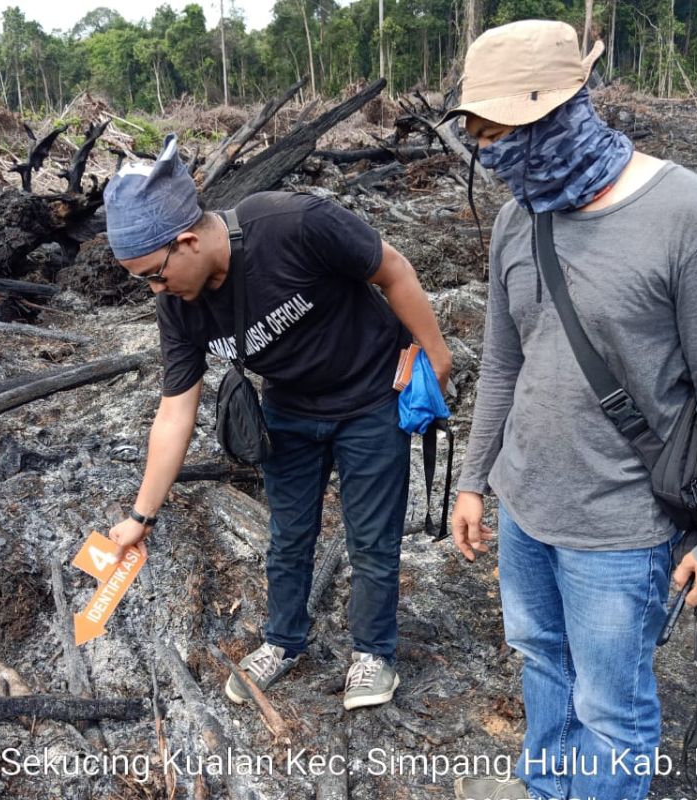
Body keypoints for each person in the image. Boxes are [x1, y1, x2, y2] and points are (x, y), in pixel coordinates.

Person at [443, 20, 697, 800]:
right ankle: (547, 788)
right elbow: (505, 363)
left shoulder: (694, 217)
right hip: (525, 511)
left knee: (612, 711)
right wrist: (475, 481)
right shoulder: (522, 216)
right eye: (476, 129)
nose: (486, 148)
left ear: (561, 107)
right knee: (543, 662)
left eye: (498, 128)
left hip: (622, 531)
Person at [101, 135, 452, 710]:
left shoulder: (294, 224)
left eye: (154, 275)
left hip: (370, 400)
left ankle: (372, 653)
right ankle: (284, 642)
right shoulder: (177, 307)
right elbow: (174, 411)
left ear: (186, 241)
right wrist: (141, 515)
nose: (155, 291)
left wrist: (434, 355)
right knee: (288, 537)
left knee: (371, 537)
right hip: (289, 411)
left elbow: (393, 269)